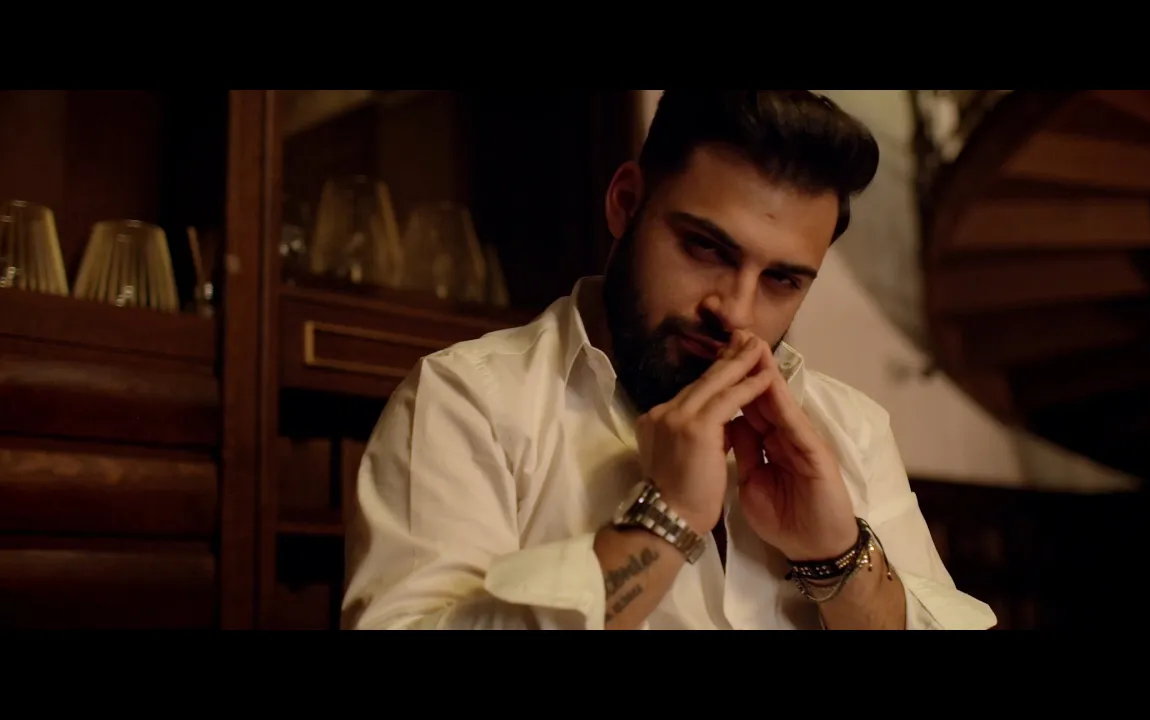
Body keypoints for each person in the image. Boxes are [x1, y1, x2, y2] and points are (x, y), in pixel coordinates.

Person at [342, 90, 998, 630]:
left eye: (781, 280)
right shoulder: (468, 402)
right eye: (706, 249)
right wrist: (665, 522)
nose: (736, 311)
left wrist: (838, 557)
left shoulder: (852, 428)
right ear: (626, 204)